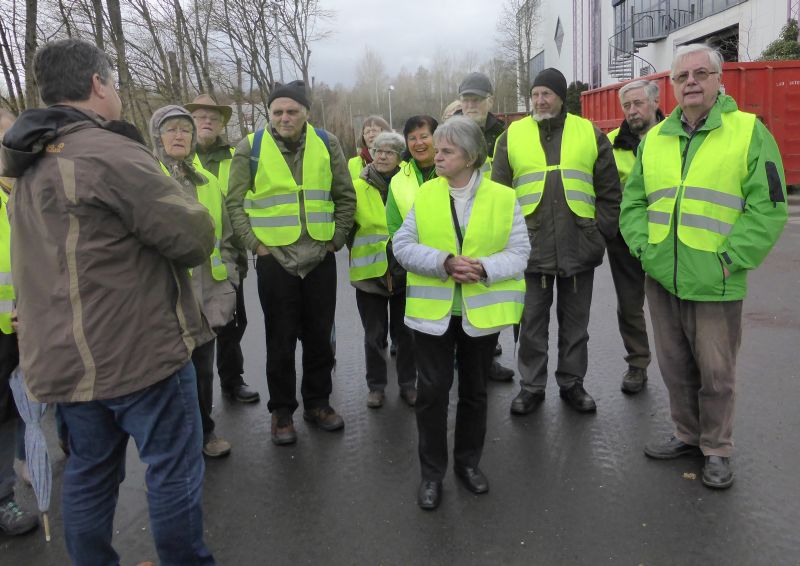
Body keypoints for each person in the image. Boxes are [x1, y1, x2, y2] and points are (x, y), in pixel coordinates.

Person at [0, 39, 215, 563]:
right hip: (138, 354)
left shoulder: (23, 164)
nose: (115, 90)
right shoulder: (109, 153)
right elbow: (193, 237)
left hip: (64, 360)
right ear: (98, 84)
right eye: (113, 81)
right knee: (173, 471)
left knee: (90, 475)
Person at [620, 44, 788, 489]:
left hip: (717, 279)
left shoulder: (748, 132)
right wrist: (645, 250)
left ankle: (715, 448)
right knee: (674, 366)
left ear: (719, 80)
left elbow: (769, 207)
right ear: (671, 87)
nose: (690, 82)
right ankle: (687, 435)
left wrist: (731, 260)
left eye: (700, 74)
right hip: (662, 277)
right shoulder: (654, 139)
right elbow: (633, 203)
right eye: (682, 77)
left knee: (716, 374)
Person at [393, 117, 529, 510]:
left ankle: (467, 465)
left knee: (474, 393)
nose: (436, 156)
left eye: (446, 151)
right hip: (431, 315)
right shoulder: (426, 194)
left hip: (479, 315)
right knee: (431, 395)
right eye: (437, 149)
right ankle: (431, 474)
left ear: (470, 156)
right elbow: (401, 244)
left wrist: (483, 268)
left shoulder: (504, 198)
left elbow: (520, 253)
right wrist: (444, 262)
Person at [226, 80, 356, 446]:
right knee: (279, 341)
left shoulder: (327, 143)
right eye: (278, 111)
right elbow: (234, 204)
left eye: (292, 111)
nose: (285, 117)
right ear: (269, 114)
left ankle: (318, 403)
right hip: (275, 260)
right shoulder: (249, 148)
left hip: (319, 257)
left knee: (319, 336)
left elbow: (345, 195)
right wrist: (255, 244)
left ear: (306, 113)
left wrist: (336, 240)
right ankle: (281, 411)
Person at [492, 67, 621, 415]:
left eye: (546, 93)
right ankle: (531, 387)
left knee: (576, 326)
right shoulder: (511, 136)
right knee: (530, 326)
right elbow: (498, 195)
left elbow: (610, 191)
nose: (539, 100)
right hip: (529, 249)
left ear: (561, 97)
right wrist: (506, 242)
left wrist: (600, 232)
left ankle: (572, 384)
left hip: (580, 246)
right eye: (535, 94)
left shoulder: (589, 134)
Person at [151, 105, 238, 458]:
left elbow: (228, 237)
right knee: (167, 373)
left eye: (184, 130)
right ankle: (173, 440)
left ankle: (205, 431)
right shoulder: (146, 179)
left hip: (206, 295)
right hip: (162, 298)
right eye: (170, 129)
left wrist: (231, 275)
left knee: (203, 371)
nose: (178, 136)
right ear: (157, 136)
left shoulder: (209, 181)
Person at [186, 93, 260, 404]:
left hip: (229, 256)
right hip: (189, 264)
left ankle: (232, 380)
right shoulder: (176, 159)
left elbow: (250, 200)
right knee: (195, 331)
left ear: (221, 125)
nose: (207, 122)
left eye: (213, 119)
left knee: (232, 321)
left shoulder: (236, 156)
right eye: (201, 117)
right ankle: (194, 396)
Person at [348, 131, 417, 408]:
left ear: (399, 156)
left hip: (404, 271)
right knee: (373, 336)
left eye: (389, 151)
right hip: (369, 275)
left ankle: (408, 384)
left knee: (406, 334)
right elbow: (346, 221)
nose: (382, 156)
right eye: (377, 150)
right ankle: (376, 387)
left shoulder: (410, 185)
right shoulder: (356, 186)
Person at [456, 71, 516, 379]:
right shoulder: (450, 131)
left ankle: (486, 359)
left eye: (477, 99)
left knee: (488, 295)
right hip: (455, 224)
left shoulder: (505, 135)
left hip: (493, 225)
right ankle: (467, 361)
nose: (471, 104)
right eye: (466, 99)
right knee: (461, 297)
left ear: (489, 101)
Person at [606, 79, 664, 394]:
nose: (632, 111)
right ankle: (637, 364)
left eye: (638, 103)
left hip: (669, 237)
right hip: (625, 238)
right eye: (626, 105)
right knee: (629, 305)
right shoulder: (612, 142)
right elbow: (603, 189)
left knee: (672, 306)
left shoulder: (676, 137)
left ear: (655, 103)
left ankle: (682, 368)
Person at [0, 108, 38, 537]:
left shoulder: (26, 189)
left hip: (31, 326)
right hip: (4, 327)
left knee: (28, 405)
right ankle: (3, 497)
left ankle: (30, 462)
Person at [348, 116, 391, 181]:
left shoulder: (398, 161)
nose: (371, 135)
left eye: (374, 131)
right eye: (367, 132)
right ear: (363, 137)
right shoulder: (353, 163)